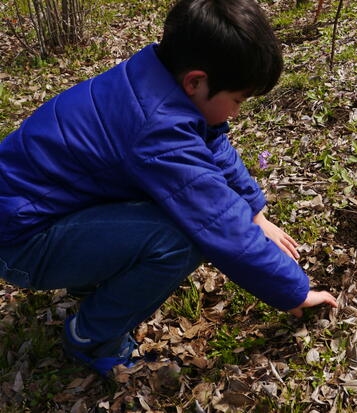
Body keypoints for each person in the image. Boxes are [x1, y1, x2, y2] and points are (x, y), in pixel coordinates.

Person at [0, 0, 337, 376]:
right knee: (180, 236)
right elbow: (216, 222)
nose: (237, 113)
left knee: (165, 203)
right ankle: (92, 337)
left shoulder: (154, 77)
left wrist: (254, 211)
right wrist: (294, 291)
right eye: (238, 100)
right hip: (20, 240)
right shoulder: (155, 128)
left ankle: (91, 276)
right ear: (196, 81)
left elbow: (211, 142)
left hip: (37, 211)